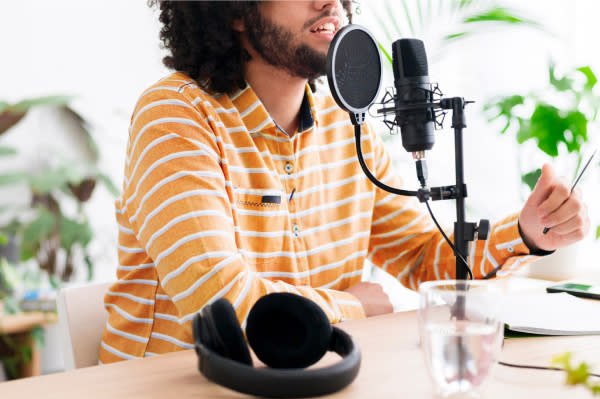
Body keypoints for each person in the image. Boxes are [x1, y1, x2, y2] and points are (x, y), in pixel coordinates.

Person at [99, 0, 589, 363]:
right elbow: (224, 304)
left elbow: (422, 258)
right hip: (171, 386)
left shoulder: (342, 122)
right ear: (235, 11)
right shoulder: (176, 115)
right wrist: (354, 305)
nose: (329, 2)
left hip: (308, 382)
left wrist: (526, 233)